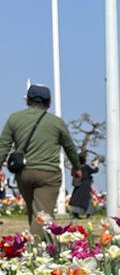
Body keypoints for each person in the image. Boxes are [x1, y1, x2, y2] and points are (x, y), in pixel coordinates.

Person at [0, 84, 79, 237]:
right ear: (49, 102)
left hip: (24, 174)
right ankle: (37, 250)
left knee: (35, 212)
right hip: (48, 175)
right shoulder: (56, 122)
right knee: (43, 215)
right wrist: (77, 168)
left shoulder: (14, 118)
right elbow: (70, 147)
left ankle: (37, 249)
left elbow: (3, 146)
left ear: (28, 100)